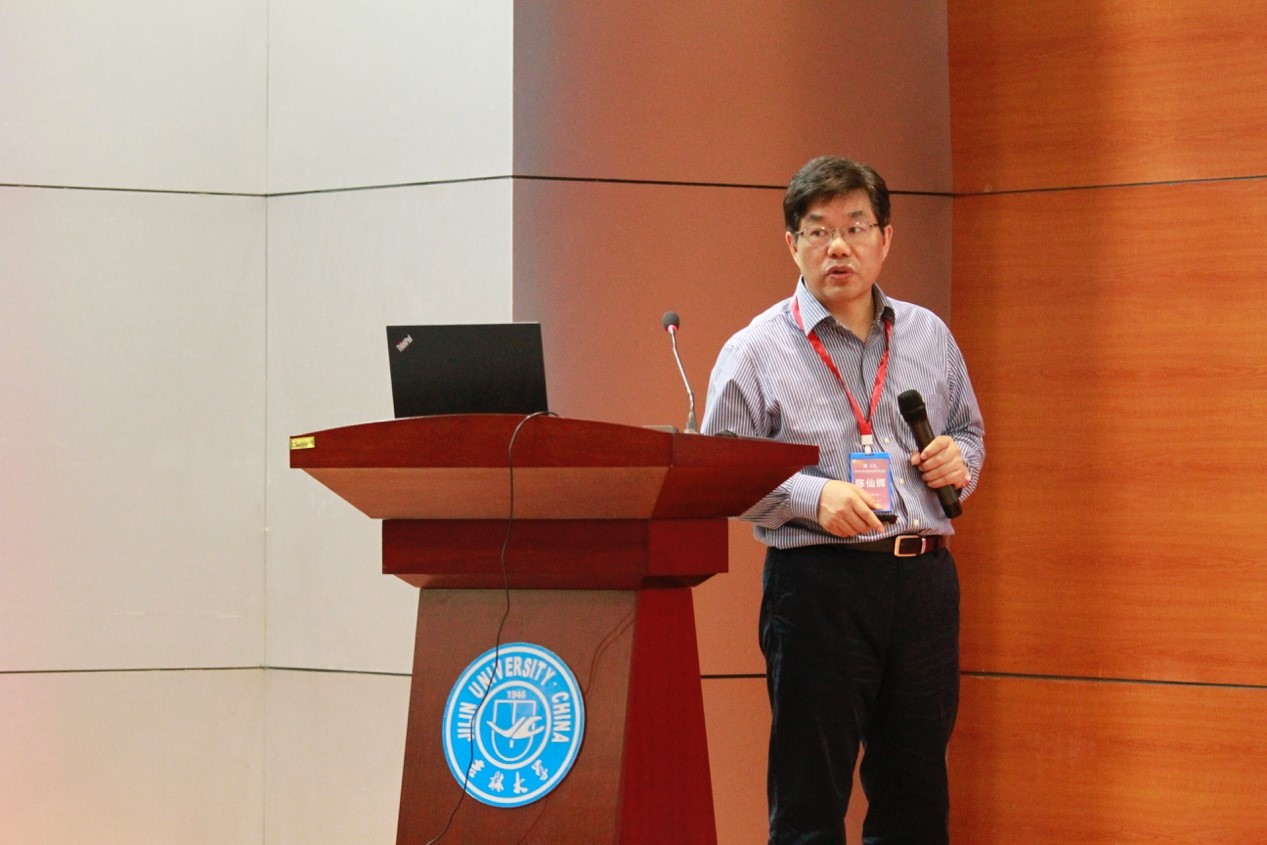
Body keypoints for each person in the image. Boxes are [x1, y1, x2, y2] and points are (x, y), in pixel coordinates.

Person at [701, 155, 985, 845]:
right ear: (791, 244)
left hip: (921, 581)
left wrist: (961, 460)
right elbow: (719, 470)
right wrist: (810, 495)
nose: (838, 246)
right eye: (818, 230)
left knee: (917, 797)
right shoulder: (754, 349)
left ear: (884, 238)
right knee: (810, 800)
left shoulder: (927, 334)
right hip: (817, 587)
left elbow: (968, 431)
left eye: (855, 227)